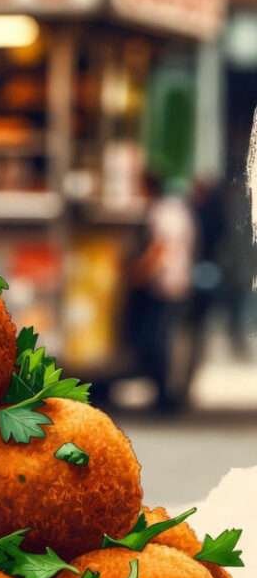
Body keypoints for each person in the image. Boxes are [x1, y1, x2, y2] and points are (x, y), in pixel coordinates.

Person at [127, 172, 196, 412]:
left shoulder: (162, 212)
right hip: (176, 281)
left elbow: (160, 248)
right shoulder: (176, 209)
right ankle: (166, 392)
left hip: (168, 283)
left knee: (158, 341)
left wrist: (139, 272)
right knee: (165, 339)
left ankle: (166, 394)